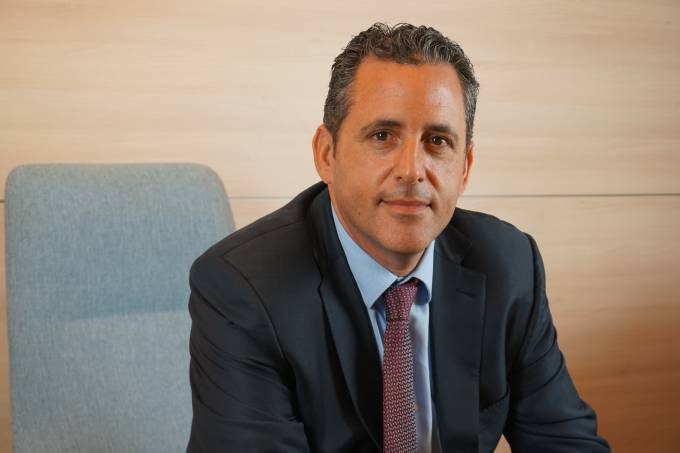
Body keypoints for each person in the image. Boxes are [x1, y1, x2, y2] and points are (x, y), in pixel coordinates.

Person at [186, 23, 610, 453]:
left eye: (437, 141)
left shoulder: (508, 265)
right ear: (327, 154)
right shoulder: (244, 290)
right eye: (382, 136)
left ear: (464, 167)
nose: (412, 170)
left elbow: (566, 442)